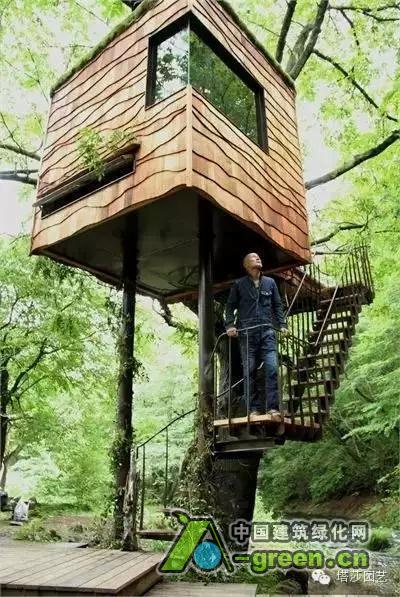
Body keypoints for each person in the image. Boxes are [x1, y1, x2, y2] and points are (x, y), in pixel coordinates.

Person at [224, 253, 288, 417]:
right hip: (247, 334)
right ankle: (253, 409)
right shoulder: (239, 284)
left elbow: (277, 305)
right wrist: (230, 325)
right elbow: (230, 307)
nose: (258, 258)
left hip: (267, 331)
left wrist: (282, 325)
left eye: (259, 257)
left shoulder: (270, 282)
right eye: (253, 258)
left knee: (272, 368)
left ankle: (273, 408)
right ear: (246, 265)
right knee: (249, 371)